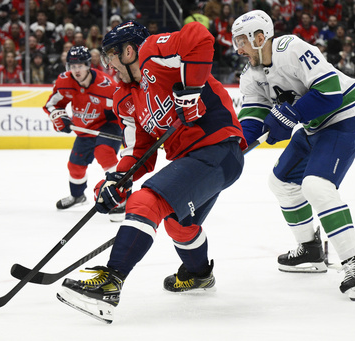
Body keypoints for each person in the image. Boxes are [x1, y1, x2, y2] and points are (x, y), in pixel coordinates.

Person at [57, 21, 246, 323]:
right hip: (195, 160)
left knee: (146, 202)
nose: (108, 65)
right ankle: (198, 275)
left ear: (129, 50)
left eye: (111, 56)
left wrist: (192, 92)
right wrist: (117, 179)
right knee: (178, 224)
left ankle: (111, 281)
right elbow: (138, 150)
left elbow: (199, 37)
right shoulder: (125, 98)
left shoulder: (151, 53)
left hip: (217, 148)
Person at [231, 10, 355, 301]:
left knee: (316, 185)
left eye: (242, 41)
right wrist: (231, 147)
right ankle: (310, 251)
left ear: (260, 37)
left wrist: (291, 115)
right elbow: (251, 121)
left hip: (345, 116)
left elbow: (330, 92)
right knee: (281, 182)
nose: (238, 48)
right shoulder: (250, 75)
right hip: (314, 127)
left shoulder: (292, 48)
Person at [42, 46, 123, 221]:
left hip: (107, 126)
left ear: (88, 65)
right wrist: (59, 115)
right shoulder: (64, 82)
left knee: (105, 154)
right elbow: (52, 104)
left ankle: (120, 198)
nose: (76, 70)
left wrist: (128, 131)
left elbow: (122, 109)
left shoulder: (107, 85)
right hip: (84, 130)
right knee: (75, 166)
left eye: (80, 65)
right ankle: (78, 196)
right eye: (72, 66)